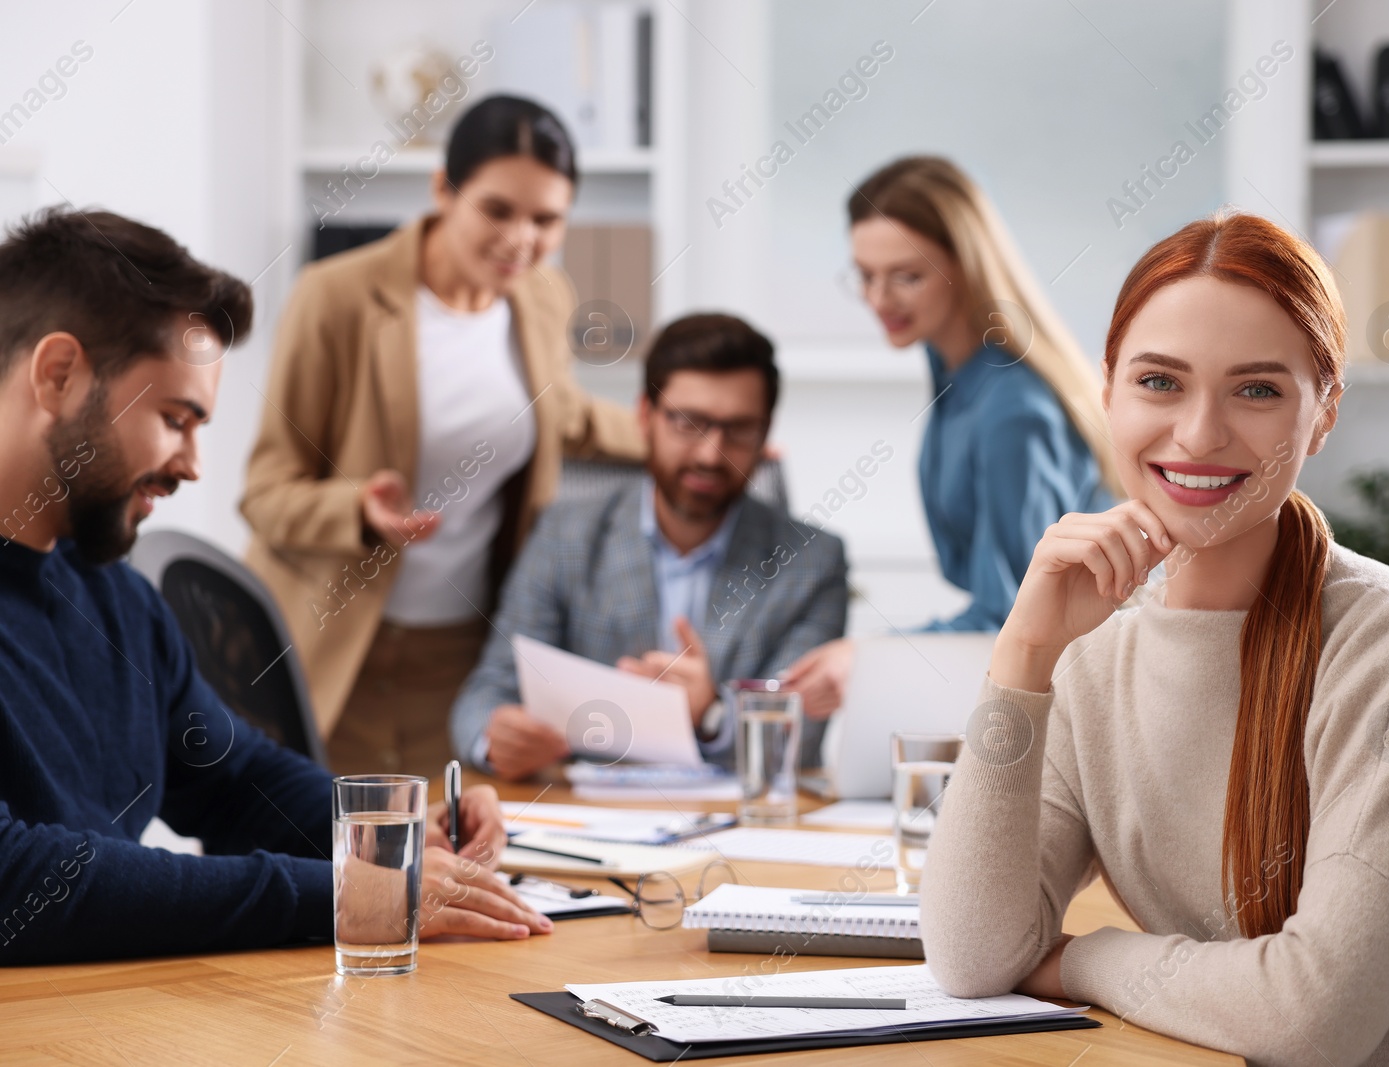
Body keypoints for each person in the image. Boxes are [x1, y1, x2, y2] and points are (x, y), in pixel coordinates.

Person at [919, 211, 1389, 1064]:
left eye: (1258, 389)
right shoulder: (1093, 657)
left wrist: (1081, 958)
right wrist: (1023, 656)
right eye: (1159, 382)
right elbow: (972, 957)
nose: (1198, 434)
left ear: (1324, 413)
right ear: (1107, 387)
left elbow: (1314, 1020)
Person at [0, 207, 549, 967]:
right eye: (174, 418)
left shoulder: (115, 599)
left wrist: (393, 825)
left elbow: (233, 780)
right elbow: (13, 880)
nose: (192, 463)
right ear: (59, 375)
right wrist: (334, 894)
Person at [241, 95, 644, 778]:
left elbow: (565, 413)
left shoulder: (544, 297)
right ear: (442, 189)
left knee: (449, 872)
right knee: (322, 873)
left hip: (460, 657)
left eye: (546, 219)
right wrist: (357, 510)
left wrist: (685, 439)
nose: (522, 239)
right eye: (497, 210)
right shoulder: (335, 297)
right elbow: (266, 491)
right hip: (334, 646)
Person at [783, 156, 1118, 715]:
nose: (878, 300)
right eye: (865, 275)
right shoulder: (958, 382)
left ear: (964, 267)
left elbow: (1021, 613)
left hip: (1076, 703)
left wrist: (869, 658)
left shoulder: (1012, 409)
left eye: (906, 276)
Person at [450, 313, 848, 779]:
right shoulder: (565, 534)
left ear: (765, 435)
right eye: (688, 423)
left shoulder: (810, 560)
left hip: (738, 827)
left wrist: (711, 714)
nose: (708, 453)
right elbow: (489, 687)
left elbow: (801, 739)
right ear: (645, 416)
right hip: (585, 821)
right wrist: (494, 737)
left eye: (738, 430)